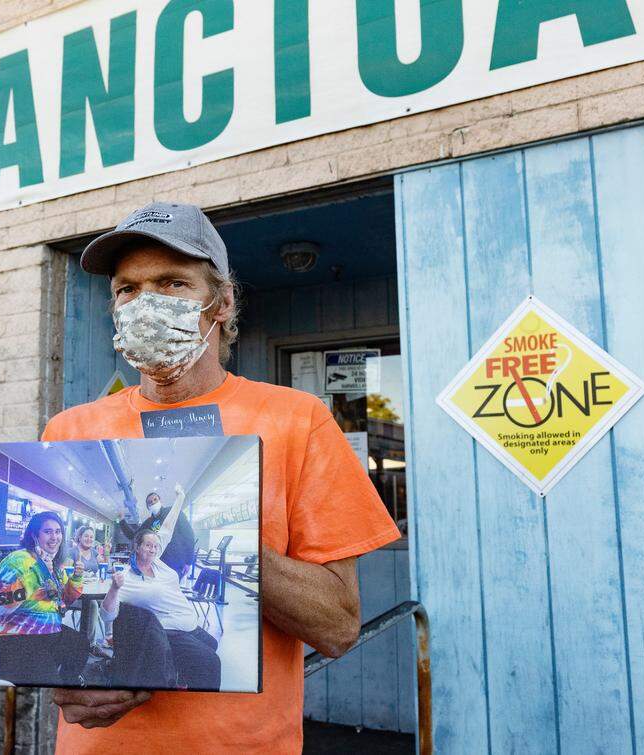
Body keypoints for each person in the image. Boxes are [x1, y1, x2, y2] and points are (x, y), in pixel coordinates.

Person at [45, 201, 401, 753]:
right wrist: (64, 674)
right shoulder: (71, 429)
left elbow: (337, 626)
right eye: (127, 290)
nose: (147, 304)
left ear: (222, 301)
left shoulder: (296, 419)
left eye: (172, 283)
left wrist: (227, 542)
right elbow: (59, 618)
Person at [102, 516, 221, 690]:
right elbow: (106, 614)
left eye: (155, 546)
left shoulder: (157, 562)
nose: (153, 549)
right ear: (136, 546)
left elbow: (167, 528)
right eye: (148, 545)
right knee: (211, 662)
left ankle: (181, 682)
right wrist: (114, 588)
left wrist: (180, 497)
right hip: (168, 629)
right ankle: (201, 705)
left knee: (212, 643)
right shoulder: (126, 577)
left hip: (188, 623)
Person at [0, 511, 89, 685]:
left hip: (46, 630)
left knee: (80, 644)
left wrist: (77, 577)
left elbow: (65, 599)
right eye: (48, 531)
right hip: (15, 635)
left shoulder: (55, 564)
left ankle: (67, 682)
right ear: (34, 536)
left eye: (58, 532)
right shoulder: (18, 560)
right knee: (48, 683)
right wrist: (32, 575)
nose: (54, 537)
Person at [115, 490, 196, 576]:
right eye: (150, 502)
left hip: (176, 563)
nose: (153, 503)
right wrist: (122, 520)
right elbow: (134, 536)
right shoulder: (148, 523)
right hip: (157, 564)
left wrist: (189, 561)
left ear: (160, 500)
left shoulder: (172, 513)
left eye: (155, 499)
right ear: (148, 507)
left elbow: (189, 536)